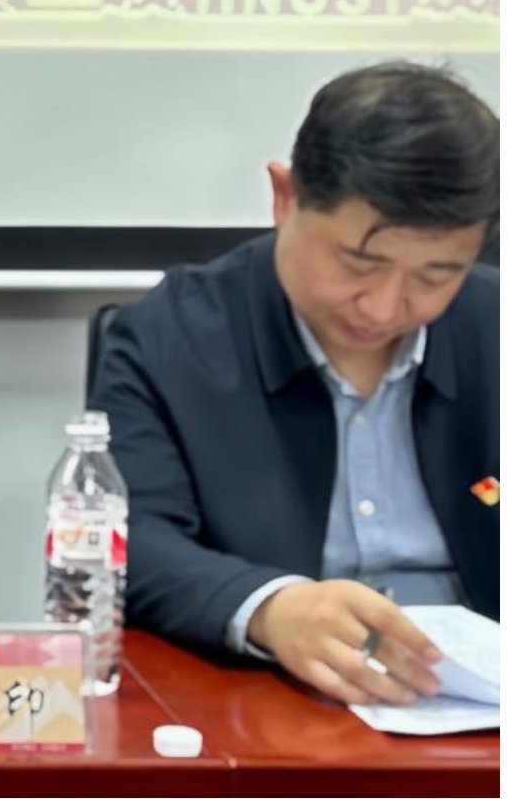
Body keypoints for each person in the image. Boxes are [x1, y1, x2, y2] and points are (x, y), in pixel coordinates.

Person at [91, 61, 498, 707]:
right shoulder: (172, 334)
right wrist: (270, 608)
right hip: (267, 703)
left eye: (435, 276)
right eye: (358, 263)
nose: (384, 307)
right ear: (285, 198)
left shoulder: (492, 326)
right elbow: (127, 538)